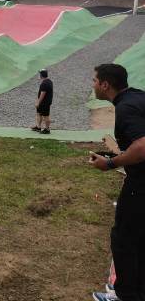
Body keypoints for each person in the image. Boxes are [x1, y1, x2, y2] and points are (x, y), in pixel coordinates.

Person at [89, 64, 145, 301]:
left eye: (95, 80)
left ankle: (125, 296)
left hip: (141, 184)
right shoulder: (138, 96)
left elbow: (142, 146)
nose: (92, 84)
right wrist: (117, 156)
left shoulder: (125, 108)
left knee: (124, 239)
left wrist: (110, 164)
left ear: (105, 84)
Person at [31, 69, 53, 134]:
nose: (39, 75)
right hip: (44, 102)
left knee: (46, 116)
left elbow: (42, 94)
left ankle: (47, 129)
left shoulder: (44, 83)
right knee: (39, 113)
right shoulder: (49, 81)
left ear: (41, 75)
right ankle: (38, 127)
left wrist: (38, 102)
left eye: (39, 74)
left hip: (44, 103)